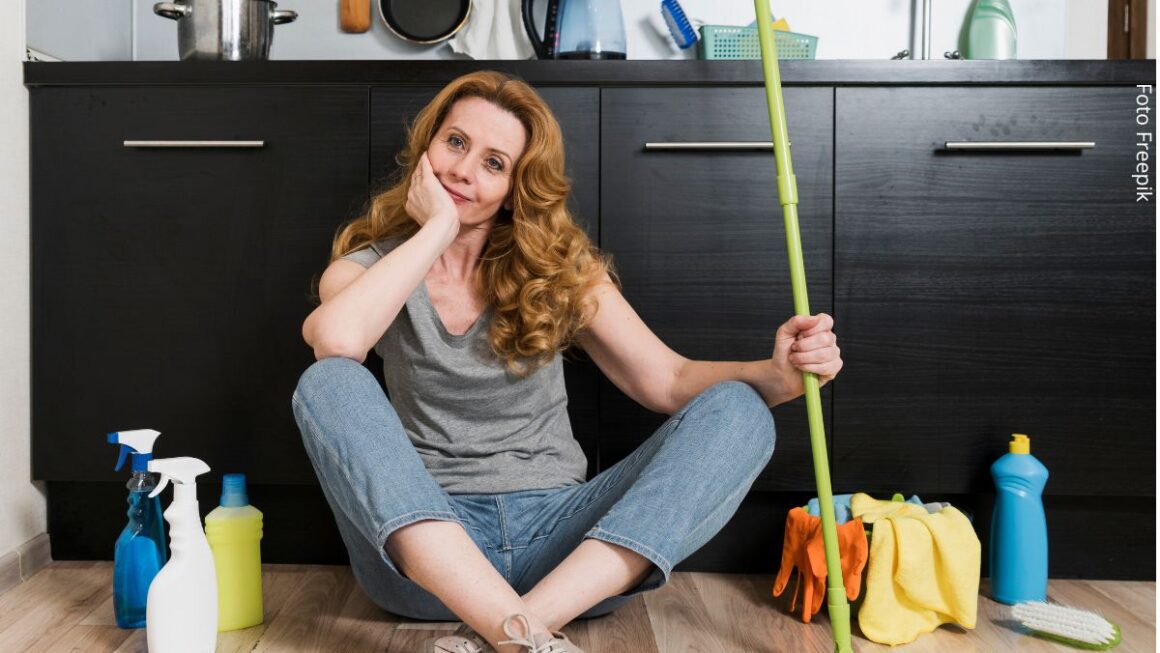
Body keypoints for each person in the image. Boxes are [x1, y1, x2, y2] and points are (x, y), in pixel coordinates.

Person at [291, 70, 842, 653]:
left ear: (515, 187)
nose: (462, 170)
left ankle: (514, 631)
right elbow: (336, 343)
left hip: (568, 552)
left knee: (742, 411)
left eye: (494, 163)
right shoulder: (368, 268)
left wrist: (776, 375)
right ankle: (523, 632)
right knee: (327, 382)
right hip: (431, 562)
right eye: (455, 143)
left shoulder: (557, 270)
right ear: (427, 146)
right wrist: (437, 230)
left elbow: (668, 380)